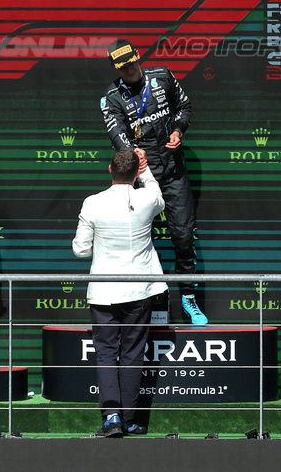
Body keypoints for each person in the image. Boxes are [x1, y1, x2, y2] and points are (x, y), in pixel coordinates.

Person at [100, 39, 205, 325]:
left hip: (173, 172)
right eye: (123, 67)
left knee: (183, 237)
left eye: (132, 62)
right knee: (136, 241)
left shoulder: (163, 76)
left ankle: (188, 298)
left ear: (137, 56)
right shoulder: (111, 96)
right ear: (115, 67)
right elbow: (116, 133)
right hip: (140, 178)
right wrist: (132, 152)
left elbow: (185, 106)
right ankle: (141, 302)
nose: (130, 69)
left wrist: (178, 131)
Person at [73, 147, 166, 437]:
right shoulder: (148, 198)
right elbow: (158, 194)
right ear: (136, 173)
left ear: (110, 170)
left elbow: (80, 249)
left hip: (103, 293)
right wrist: (146, 168)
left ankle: (112, 419)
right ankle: (128, 420)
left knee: (106, 356)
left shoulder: (92, 203)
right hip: (139, 291)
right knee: (132, 356)